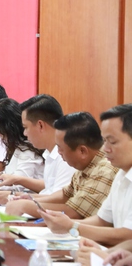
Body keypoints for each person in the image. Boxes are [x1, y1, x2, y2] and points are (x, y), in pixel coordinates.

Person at [40, 104, 132, 247]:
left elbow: (128, 235)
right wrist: (66, 224)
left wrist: (72, 227)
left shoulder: (108, 169)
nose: (105, 149)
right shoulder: (121, 173)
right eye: (105, 140)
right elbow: (102, 220)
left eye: (112, 142)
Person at [5, 111, 118, 218]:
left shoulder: (105, 170)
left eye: (60, 147)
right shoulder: (87, 163)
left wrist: (27, 206)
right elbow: (66, 194)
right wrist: (32, 199)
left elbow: (75, 212)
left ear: (82, 151)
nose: (58, 152)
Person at [0, 94, 75, 195]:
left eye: (25, 127)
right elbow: (49, 188)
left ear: (40, 125)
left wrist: (12, 197)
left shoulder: (66, 156)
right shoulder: (49, 153)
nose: (25, 133)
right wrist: (18, 181)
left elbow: (59, 200)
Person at [0, 98, 45, 205]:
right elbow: (12, 177)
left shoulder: (28, 150)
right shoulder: (17, 147)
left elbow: (19, 186)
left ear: (8, 128)